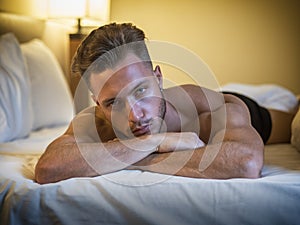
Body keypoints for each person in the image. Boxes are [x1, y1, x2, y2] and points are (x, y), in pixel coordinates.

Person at [35, 23, 296, 184]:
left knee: (294, 120)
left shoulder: (212, 112)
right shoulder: (94, 121)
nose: (134, 115)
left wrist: (122, 157)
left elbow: (247, 163)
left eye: (140, 90)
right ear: (97, 103)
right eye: (113, 102)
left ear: (158, 78)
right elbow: (48, 168)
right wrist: (153, 143)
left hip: (245, 109)